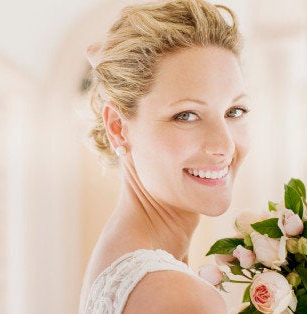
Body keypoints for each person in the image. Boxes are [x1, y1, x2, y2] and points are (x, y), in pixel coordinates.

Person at [79, 0, 250, 312]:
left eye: (234, 111)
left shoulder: (127, 262)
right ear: (118, 127)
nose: (224, 145)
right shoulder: (176, 295)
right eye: (186, 115)